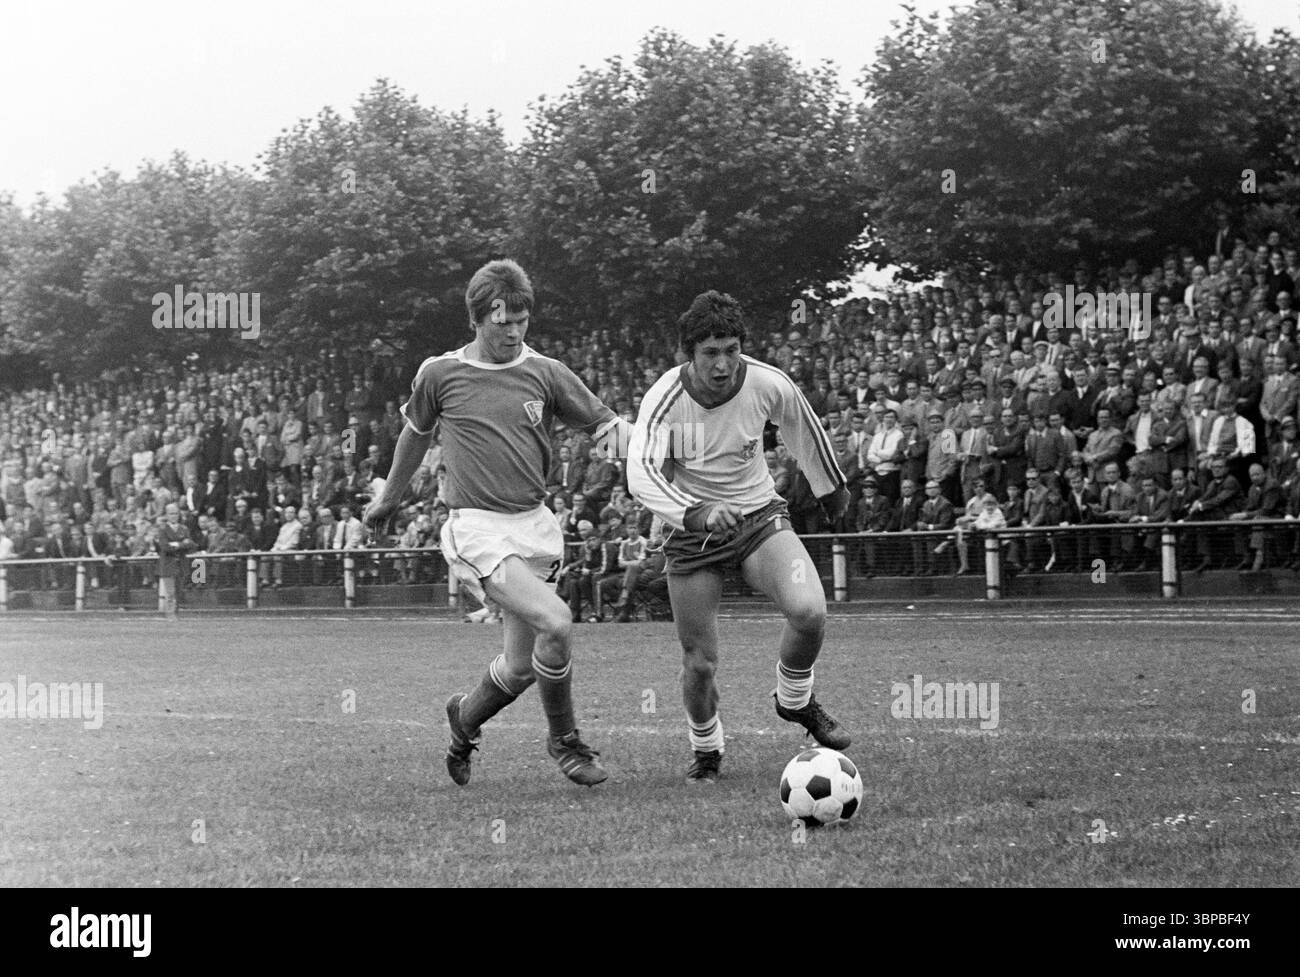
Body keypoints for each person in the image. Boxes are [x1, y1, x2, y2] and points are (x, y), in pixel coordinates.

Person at [363, 259, 627, 788]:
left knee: (522, 668)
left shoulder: (546, 372)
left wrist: (657, 460)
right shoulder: (439, 373)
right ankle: (565, 742)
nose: (513, 331)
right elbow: (415, 434)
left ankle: (463, 719)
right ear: (478, 319)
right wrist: (389, 498)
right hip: (476, 529)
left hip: (533, 527)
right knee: (556, 620)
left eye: (522, 320)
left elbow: (605, 428)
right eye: (502, 321)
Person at [627, 290, 852, 784]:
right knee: (700, 663)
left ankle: (794, 700)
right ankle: (707, 750)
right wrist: (696, 512)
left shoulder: (767, 382)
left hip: (758, 518)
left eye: (731, 349)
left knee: (810, 610)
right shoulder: (664, 398)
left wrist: (831, 488)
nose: (724, 364)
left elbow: (804, 429)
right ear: (689, 354)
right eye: (710, 352)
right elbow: (640, 473)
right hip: (693, 533)